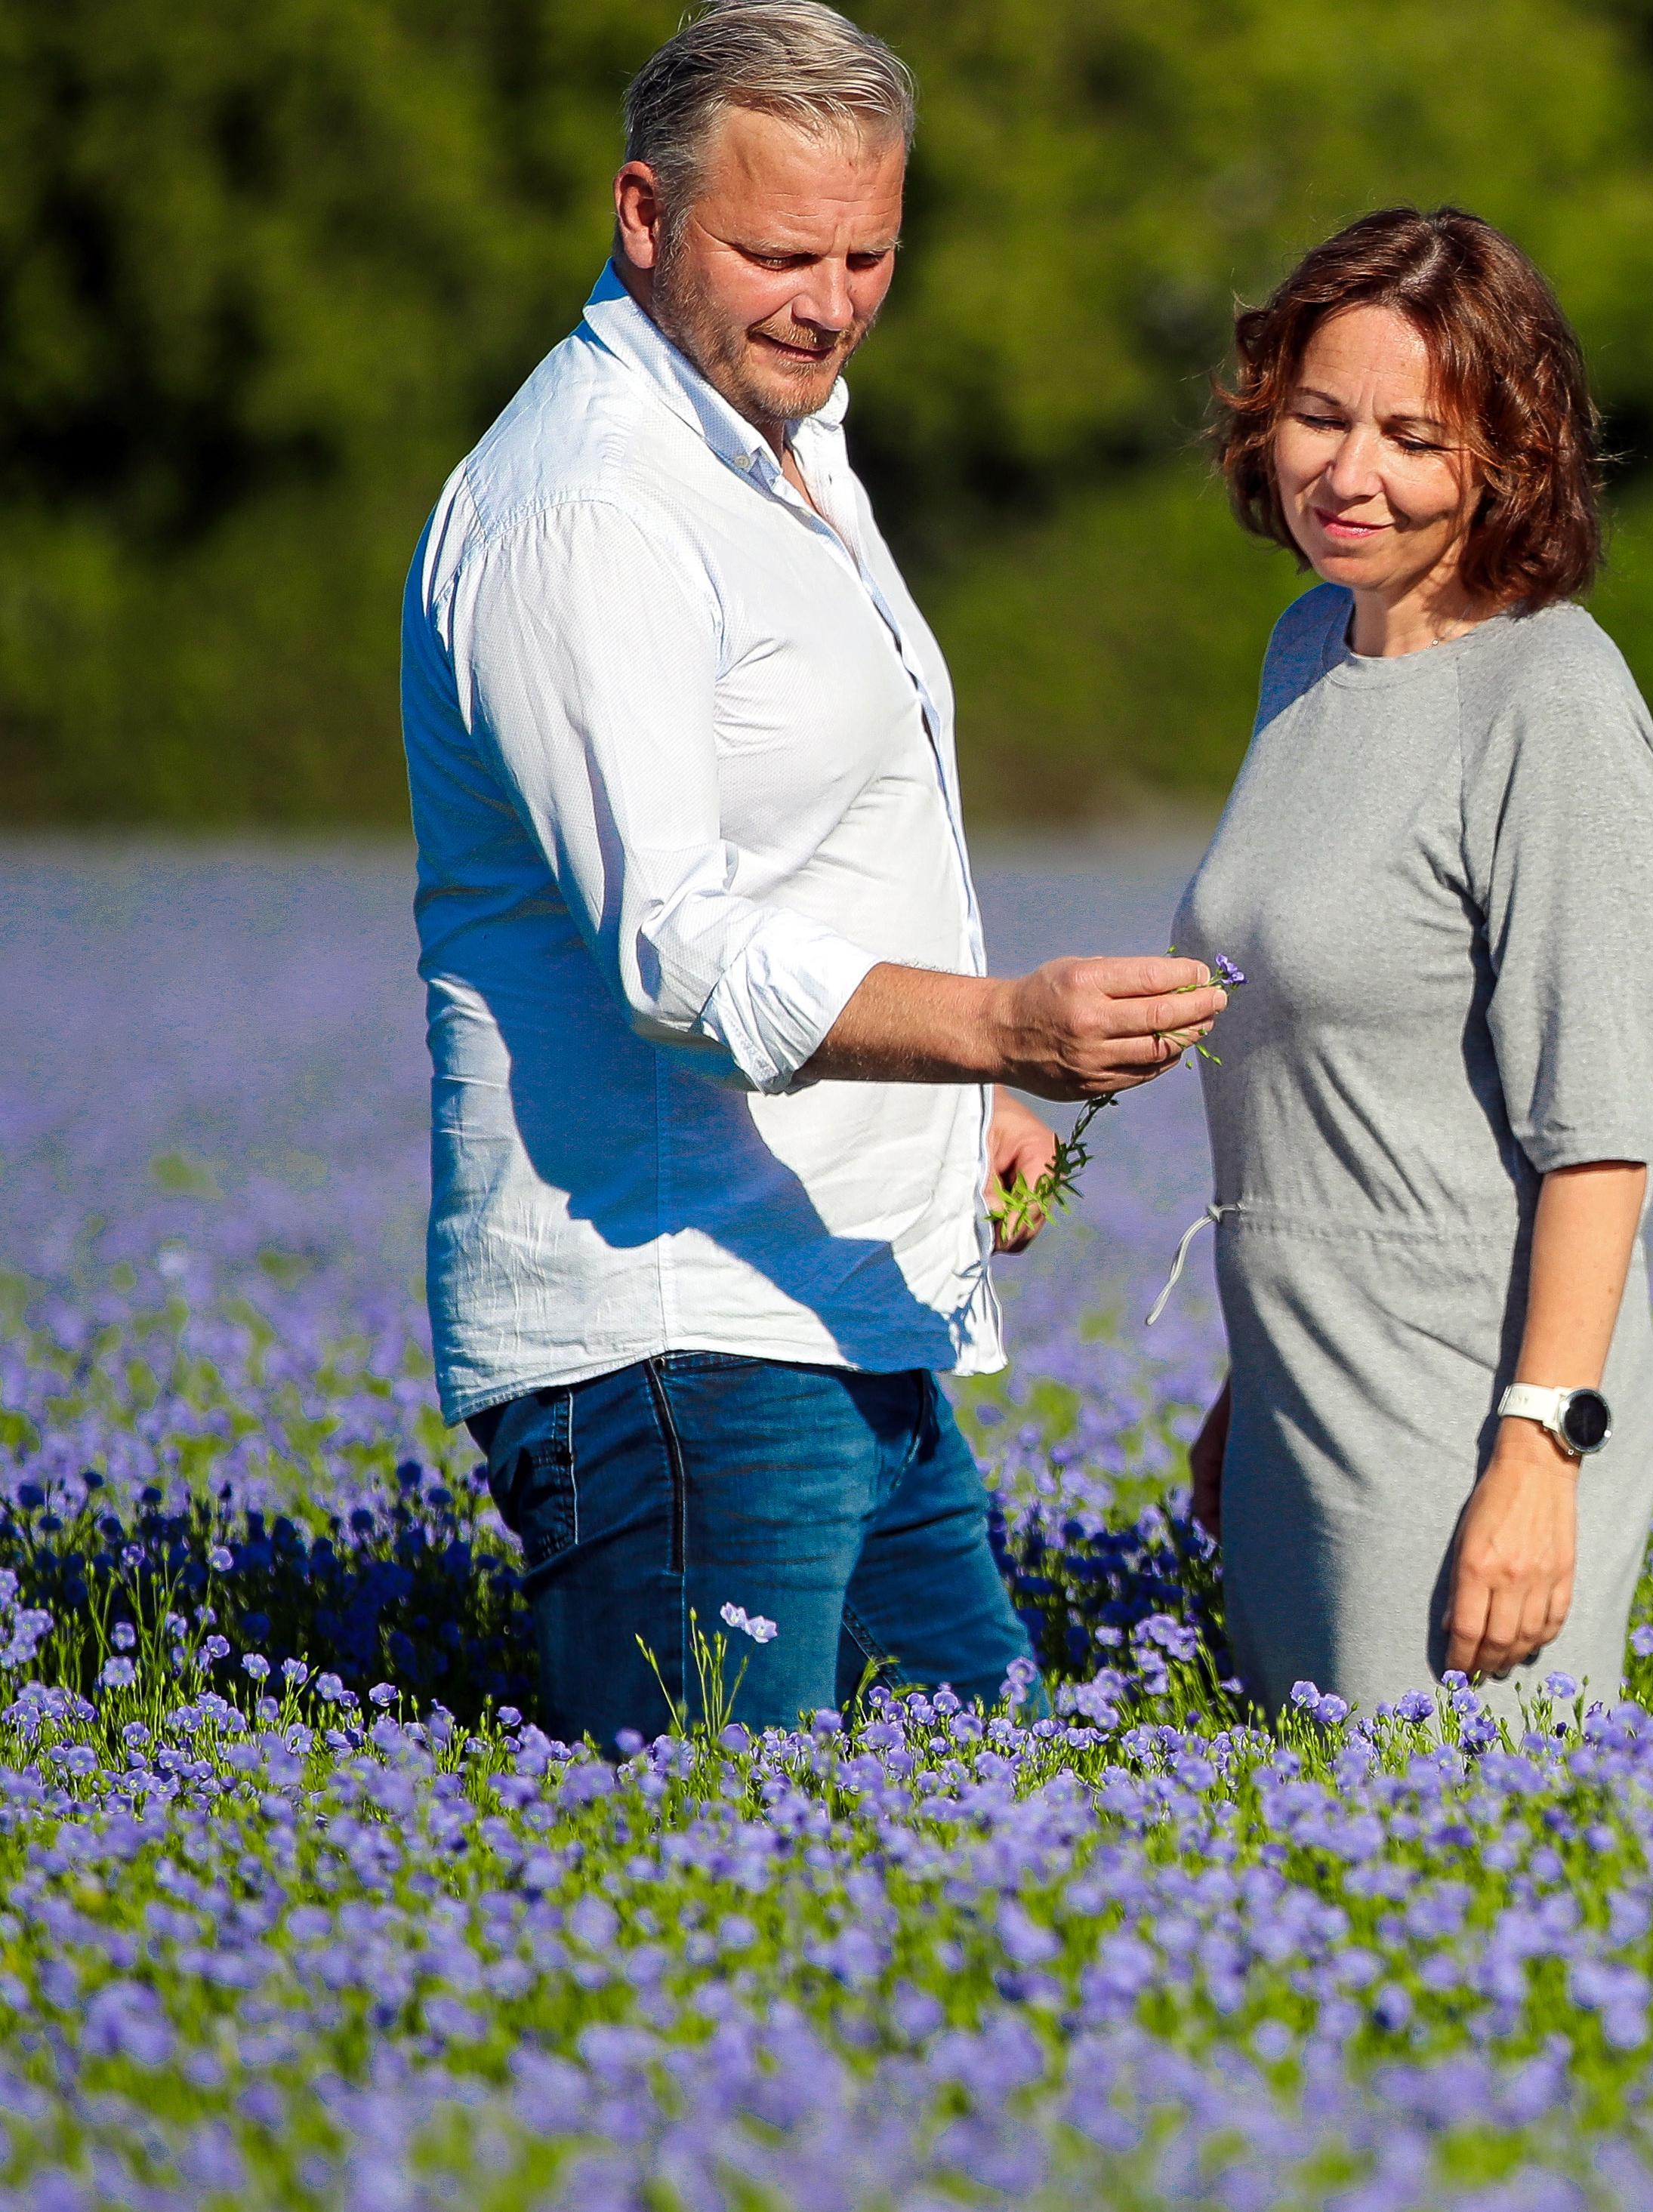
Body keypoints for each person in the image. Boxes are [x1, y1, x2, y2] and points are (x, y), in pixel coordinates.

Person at [402, 1, 1226, 1745]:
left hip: (850, 1296)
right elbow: (676, 957)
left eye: (869, 253)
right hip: (682, 1333)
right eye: (777, 249)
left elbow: (824, 851)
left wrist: (967, 1092)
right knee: (715, 1866)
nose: (831, 300)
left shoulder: (789, 449)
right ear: (640, 214)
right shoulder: (593, 510)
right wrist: (999, 1018)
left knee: (971, 1827)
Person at [1176, 207, 1653, 1718]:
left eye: (1412, 434)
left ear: (1504, 457)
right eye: (1318, 417)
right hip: (1293, 1416)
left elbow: (1596, 1127)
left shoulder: (1552, 697)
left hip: (1467, 1422)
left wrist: (1541, 1447)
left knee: (1455, 1879)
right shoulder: (1305, 654)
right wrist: (1240, 1389)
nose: (1350, 472)